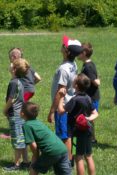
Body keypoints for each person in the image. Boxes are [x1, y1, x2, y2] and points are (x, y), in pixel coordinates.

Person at [21, 102, 90, 175]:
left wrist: (35, 158)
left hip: (52, 151)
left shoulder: (26, 125)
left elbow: (33, 145)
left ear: (22, 114)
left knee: (34, 169)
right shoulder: (38, 122)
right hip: (62, 149)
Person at [48, 35, 83, 164]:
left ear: (67, 51)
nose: (62, 46)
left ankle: (67, 162)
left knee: (64, 136)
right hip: (70, 104)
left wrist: (52, 111)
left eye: (64, 45)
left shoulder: (63, 69)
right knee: (68, 133)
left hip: (62, 107)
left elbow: (60, 91)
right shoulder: (73, 64)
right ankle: (69, 159)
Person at [58, 74, 98, 175]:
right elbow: (95, 113)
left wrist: (61, 97)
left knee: (78, 158)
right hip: (88, 131)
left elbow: (61, 111)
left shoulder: (75, 100)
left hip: (76, 133)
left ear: (75, 85)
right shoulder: (88, 98)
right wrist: (88, 119)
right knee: (89, 156)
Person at [3, 58, 30, 171]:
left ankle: (16, 164)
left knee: (17, 140)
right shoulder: (18, 81)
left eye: (12, 64)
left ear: (14, 69)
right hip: (20, 114)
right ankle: (26, 161)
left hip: (15, 115)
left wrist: (5, 110)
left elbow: (11, 99)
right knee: (21, 139)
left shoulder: (14, 83)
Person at [78, 42, 100, 143]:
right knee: (89, 117)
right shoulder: (87, 64)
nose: (77, 53)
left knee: (90, 116)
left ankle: (90, 138)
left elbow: (95, 82)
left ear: (85, 53)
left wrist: (97, 81)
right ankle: (92, 138)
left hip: (92, 97)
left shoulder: (88, 67)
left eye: (79, 52)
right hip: (89, 96)